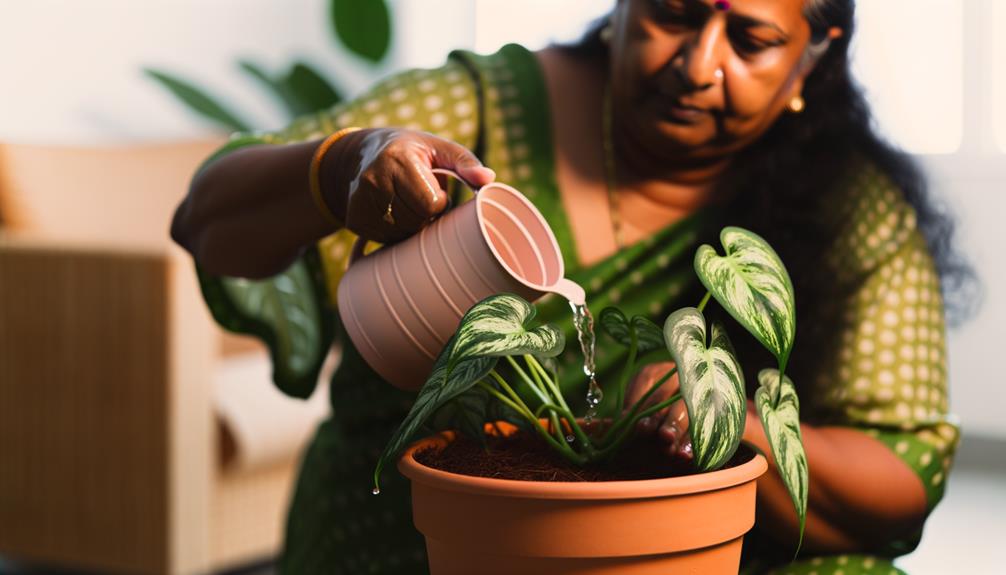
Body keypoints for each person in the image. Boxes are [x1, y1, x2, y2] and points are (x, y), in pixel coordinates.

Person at [172, 1, 970, 573]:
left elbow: (899, 479)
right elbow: (205, 215)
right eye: (674, 14)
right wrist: (344, 165)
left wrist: (730, 422)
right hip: (402, 539)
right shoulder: (487, 107)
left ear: (809, 58)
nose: (698, 65)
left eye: (752, 39)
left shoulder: (843, 203)